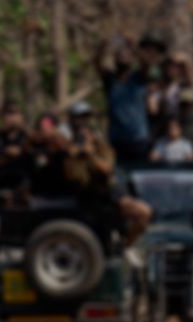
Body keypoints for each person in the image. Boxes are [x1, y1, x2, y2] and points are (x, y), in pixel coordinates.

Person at [63, 101, 152, 245]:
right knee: (142, 212)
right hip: (91, 199)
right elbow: (74, 177)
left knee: (144, 213)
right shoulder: (67, 145)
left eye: (85, 118)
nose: (83, 123)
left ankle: (126, 247)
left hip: (112, 193)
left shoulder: (99, 143)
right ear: (72, 120)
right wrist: (78, 152)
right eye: (79, 118)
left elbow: (107, 168)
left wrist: (91, 153)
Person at [95, 36, 151, 163]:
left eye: (127, 55)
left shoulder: (139, 78)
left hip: (138, 138)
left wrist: (134, 46)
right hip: (117, 139)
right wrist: (103, 47)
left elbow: (147, 63)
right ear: (114, 60)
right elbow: (97, 63)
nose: (123, 57)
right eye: (119, 55)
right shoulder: (110, 80)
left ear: (132, 59)